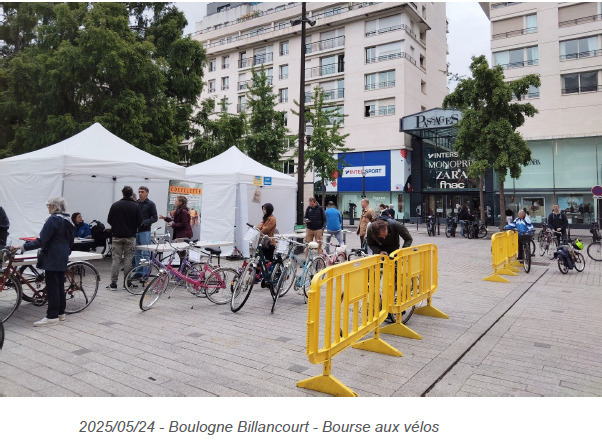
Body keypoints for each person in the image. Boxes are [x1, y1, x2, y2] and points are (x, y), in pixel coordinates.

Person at [11, 197, 74, 326]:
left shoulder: (53, 220)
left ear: (55, 206)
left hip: (53, 255)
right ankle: (60, 313)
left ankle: (52, 316)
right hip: (62, 254)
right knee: (59, 285)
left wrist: (22, 247)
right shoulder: (68, 220)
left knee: (52, 287)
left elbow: (41, 240)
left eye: (49, 205)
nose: (48, 208)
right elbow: (71, 240)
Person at [107, 186, 143, 291]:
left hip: (117, 236)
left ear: (122, 193)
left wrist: (117, 226)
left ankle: (113, 283)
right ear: (131, 194)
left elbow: (109, 220)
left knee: (116, 260)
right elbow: (140, 222)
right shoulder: (136, 206)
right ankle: (127, 283)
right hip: (130, 236)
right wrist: (132, 227)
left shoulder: (115, 205)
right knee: (128, 260)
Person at [133, 186, 158, 278]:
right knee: (137, 253)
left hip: (145, 231)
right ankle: (139, 272)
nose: (140, 193)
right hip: (136, 231)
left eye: (142, 192)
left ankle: (146, 273)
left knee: (146, 253)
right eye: (139, 192)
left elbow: (155, 218)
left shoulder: (151, 204)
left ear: (147, 193)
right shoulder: (136, 203)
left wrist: (145, 222)